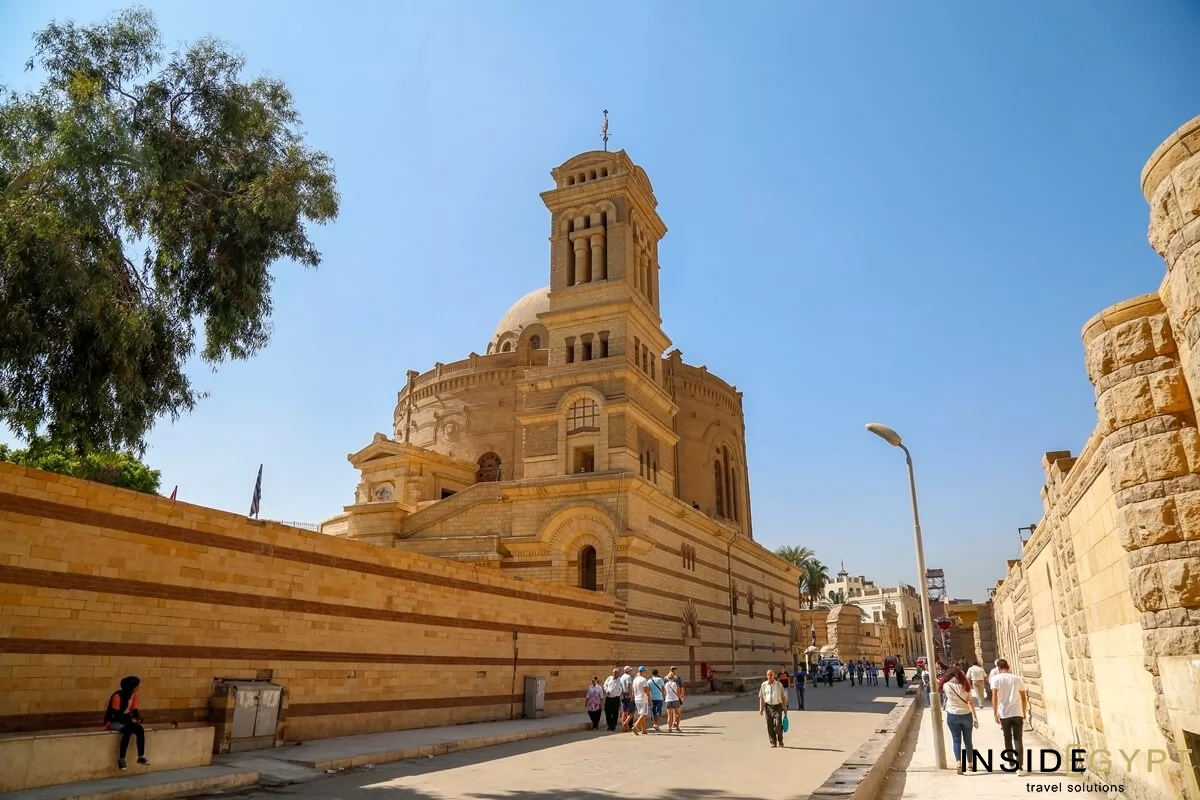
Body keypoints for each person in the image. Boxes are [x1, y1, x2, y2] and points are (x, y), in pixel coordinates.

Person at [991, 659, 1029, 774]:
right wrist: (1024, 711)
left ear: (998, 668)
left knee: (1007, 738)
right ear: (1009, 666)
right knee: (1018, 739)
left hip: (1004, 713)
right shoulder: (1017, 679)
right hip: (1017, 712)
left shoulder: (995, 679)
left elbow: (995, 697)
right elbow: (1023, 696)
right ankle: (1020, 767)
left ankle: (1011, 763)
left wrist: (995, 713)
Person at [104, 676, 149, 770]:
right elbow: (116, 715)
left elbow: (134, 709)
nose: (138, 688)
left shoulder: (133, 695)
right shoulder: (117, 696)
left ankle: (141, 756)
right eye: (136, 686)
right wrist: (131, 721)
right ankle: (121, 759)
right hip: (113, 721)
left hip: (126, 719)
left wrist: (138, 718)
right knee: (128, 731)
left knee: (140, 729)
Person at [939, 665, 978, 773]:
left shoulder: (946, 685)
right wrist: (975, 718)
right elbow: (970, 702)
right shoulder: (966, 686)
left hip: (952, 715)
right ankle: (970, 764)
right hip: (966, 715)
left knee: (956, 740)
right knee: (968, 741)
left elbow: (943, 692)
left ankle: (959, 763)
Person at [758, 669, 787, 748]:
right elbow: (761, 697)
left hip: (778, 706)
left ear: (774, 675)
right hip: (768, 707)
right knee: (770, 725)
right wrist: (761, 708)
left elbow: (783, 697)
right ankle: (773, 742)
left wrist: (784, 707)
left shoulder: (779, 685)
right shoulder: (764, 685)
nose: (769, 676)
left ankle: (780, 740)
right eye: (768, 675)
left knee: (778, 725)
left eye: (771, 675)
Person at [631, 666, 652, 735]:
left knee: (641, 714)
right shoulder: (643, 679)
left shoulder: (635, 679)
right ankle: (636, 726)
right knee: (643, 714)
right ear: (643, 672)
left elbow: (633, 689)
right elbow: (645, 689)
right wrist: (649, 696)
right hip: (643, 698)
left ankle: (644, 730)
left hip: (637, 698)